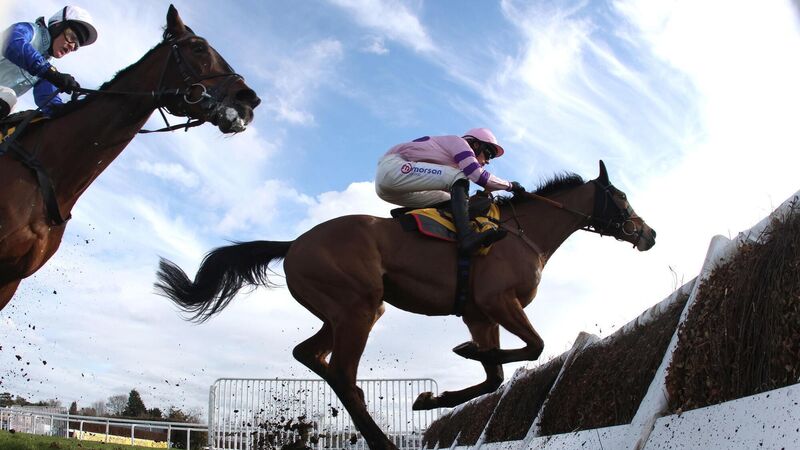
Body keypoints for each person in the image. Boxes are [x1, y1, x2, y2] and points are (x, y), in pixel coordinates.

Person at [376, 127, 526, 255]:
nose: (488, 161)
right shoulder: (459, 143)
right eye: (489, 154)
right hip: (392, 168)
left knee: (449, 199)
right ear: (475, 145)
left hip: (391, 190)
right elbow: (478, 176)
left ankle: (404, 217)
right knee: (459, 177)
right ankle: (466, 237)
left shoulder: (450, 164)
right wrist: (511, 186)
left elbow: (459, 199)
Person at [0, 6, 98, 120]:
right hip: (5, 97)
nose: (71, 47)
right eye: (72, 37)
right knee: (9, 98)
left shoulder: (47, 68)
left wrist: (67, 110)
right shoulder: (30, 30)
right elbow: (11, 43)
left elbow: (50, 104)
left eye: (76, 46)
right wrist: (51, 73)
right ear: (57, 26)